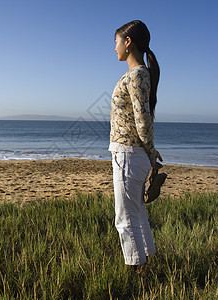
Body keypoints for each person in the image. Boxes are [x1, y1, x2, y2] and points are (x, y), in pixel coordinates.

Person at [109, 20, 163, 266]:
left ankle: (137, 272)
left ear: (128, 42)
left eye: (117, 42)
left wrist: (151, 152)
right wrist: (150, 151)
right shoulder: (138, 74)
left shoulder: (137, 74)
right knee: (138, 214)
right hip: (132, 154)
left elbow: (143, 118)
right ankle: (147, 264)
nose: (115, 48)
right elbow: (143, 118)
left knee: (126, 218)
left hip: (129, 155)